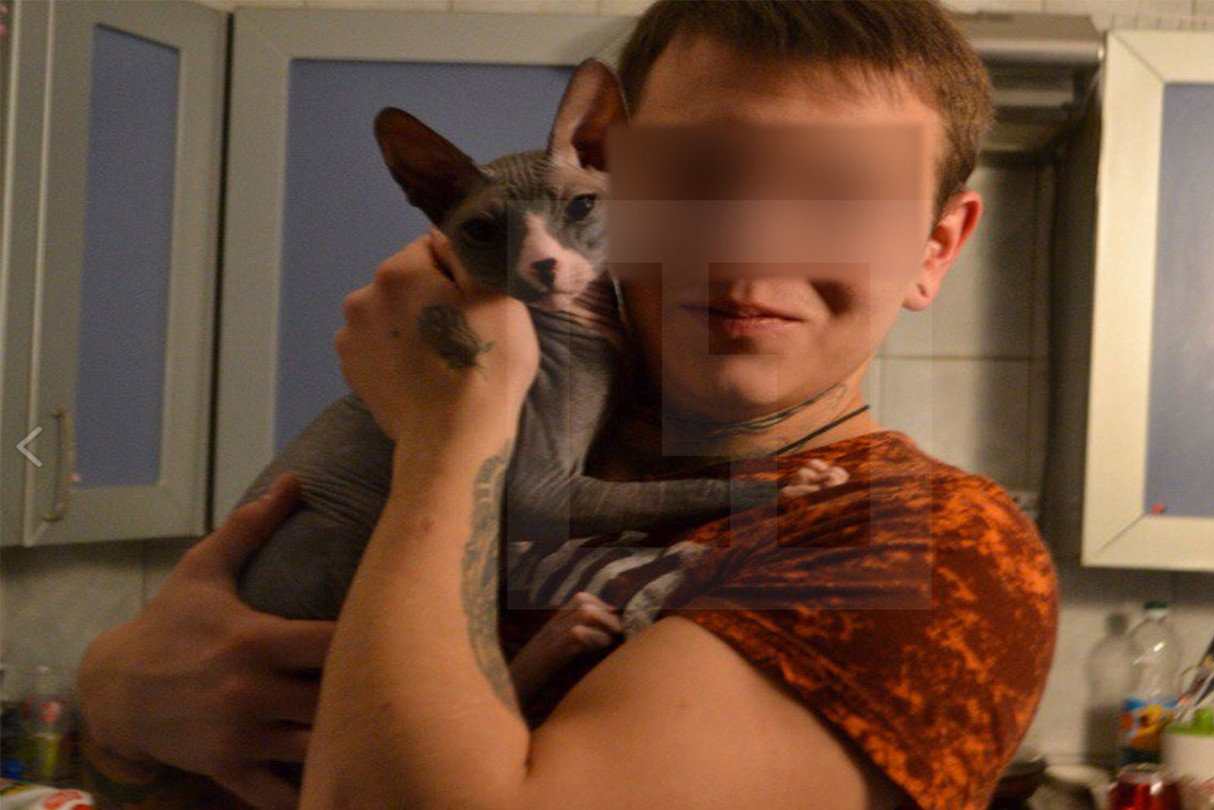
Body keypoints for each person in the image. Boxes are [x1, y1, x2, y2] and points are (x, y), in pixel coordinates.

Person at [76, 2, 1058, 808]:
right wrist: (118, 711)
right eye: (698, 172)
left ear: (934, 249)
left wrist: (448, 434)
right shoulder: (528, 414)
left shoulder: (922, 544)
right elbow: (145, 760)